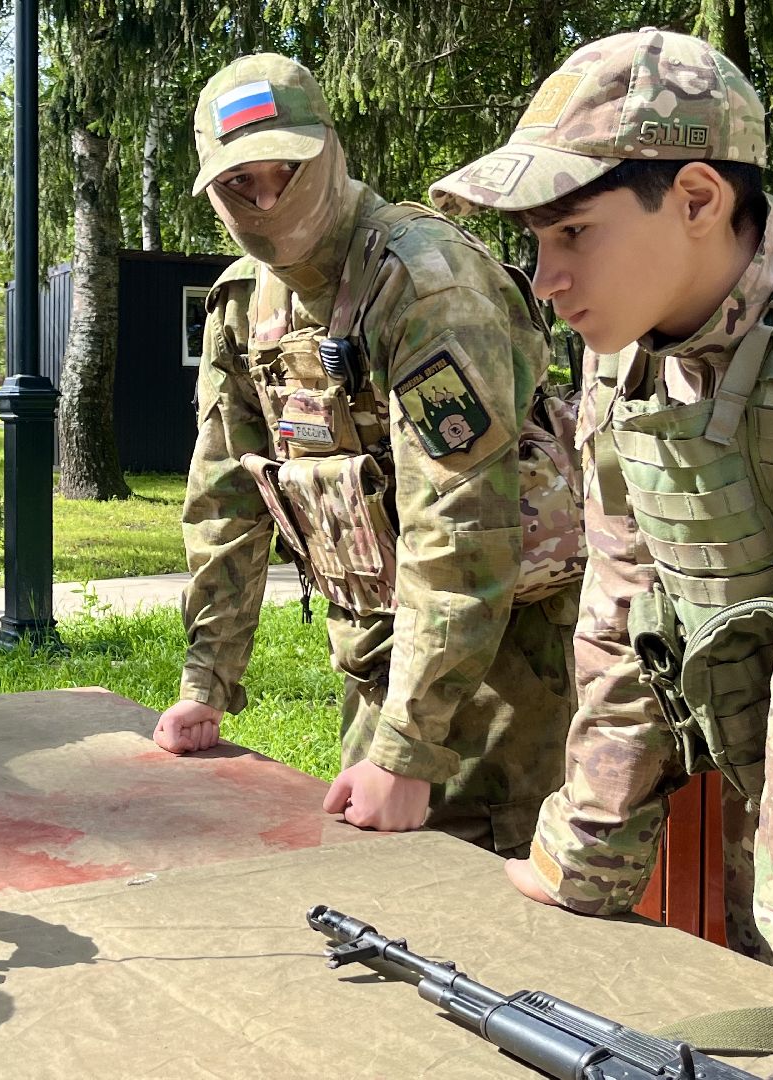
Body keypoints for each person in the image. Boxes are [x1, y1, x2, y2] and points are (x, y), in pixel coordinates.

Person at [429, 28, 773, 997]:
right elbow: (624, 603)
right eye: (534, 241)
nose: (546, 282)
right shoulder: (630, 353)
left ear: (697, 199)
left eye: (574, 233)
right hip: (766, 801)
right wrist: (588, 854)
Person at [153, 54, 586, 858]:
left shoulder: (424, 286)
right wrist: (206, 682)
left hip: (501, 679)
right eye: (239, 183)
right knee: (384, 897)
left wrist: (409, 748)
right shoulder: (246, 305)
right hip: (376, 663)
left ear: (331, 150)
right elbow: (225, 497)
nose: (267, 199)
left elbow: (462, 525)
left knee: (487, 918)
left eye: (286, 170)